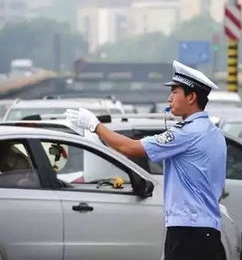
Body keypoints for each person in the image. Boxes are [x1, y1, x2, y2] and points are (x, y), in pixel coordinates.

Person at [65, 60, 227, 260]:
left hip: (188, 232)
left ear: (191, 96)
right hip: (207, 229)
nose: (169, 98)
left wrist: (95, 126)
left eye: (175, 92)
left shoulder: (186, 133)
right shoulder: (214, 132)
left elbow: (130, 148)